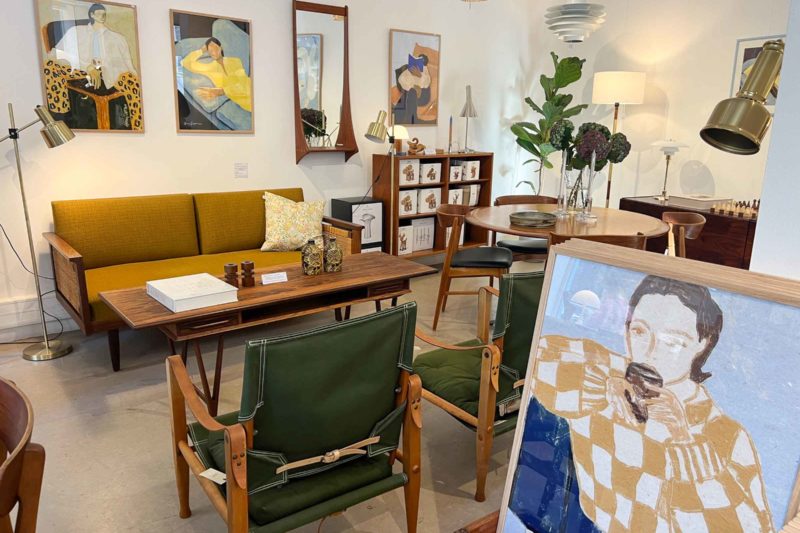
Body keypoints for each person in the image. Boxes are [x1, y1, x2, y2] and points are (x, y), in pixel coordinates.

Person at [533, 275, 773, 532]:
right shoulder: (607, 376)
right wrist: (605, 386)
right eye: (639, 331)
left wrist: (682, 440)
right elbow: (540, 355)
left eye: (674, 341)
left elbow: (746, 527)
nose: (650, 351)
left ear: (703, 344)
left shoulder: (726, 437)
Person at [44, 3, 142, 129]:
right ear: (92, 15)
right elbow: (55, 54)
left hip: (110, 73)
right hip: (81, 70)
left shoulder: (117, 38)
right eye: (99, 13)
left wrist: (136, 77)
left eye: (104, 14)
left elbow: (128, 64)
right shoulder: (76, 31)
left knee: (134, 82)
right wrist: (87, 67)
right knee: (50, 66)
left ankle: (138, 126)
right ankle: (60, 120)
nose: (102, 16)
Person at [181, 37, 252, 113]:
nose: (214, 52)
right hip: (248, 104)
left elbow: (244, 84)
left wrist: (222, 91)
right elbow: (185, 62)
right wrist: (202, 50)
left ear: (221, 48)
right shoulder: (209, 68)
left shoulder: (235, 61)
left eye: (216, 48)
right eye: (210, 50)